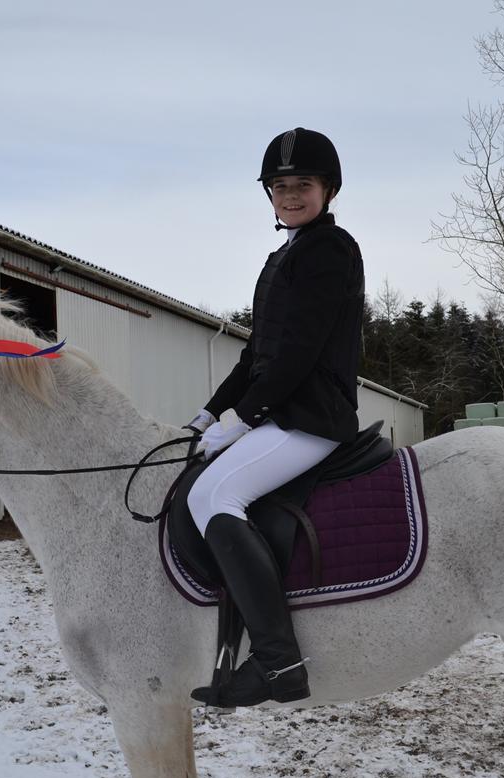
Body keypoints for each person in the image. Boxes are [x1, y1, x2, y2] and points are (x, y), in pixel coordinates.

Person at [185, 127, 365, 707]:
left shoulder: (330, 251)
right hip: (281, 413)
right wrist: (209, 413)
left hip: (311, 417)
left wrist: (242, 416)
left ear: (328, 190)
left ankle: (277, 663)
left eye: (303, 185)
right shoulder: (282, 256)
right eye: (280, 186)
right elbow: (255, 355)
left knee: (211, 497)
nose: (290, 195)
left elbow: (298, 354)